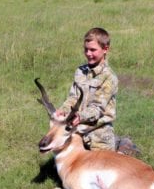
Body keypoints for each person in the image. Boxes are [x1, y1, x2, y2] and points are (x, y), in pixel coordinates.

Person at [55, 27, 139, 155]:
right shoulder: (80, 71)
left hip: (98, 133)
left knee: (101, 170)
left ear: (105, 49)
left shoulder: (109, 77)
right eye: (86, 49)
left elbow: (97, 108)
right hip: (77, 129)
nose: (88, 53)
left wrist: (80, 116)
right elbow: (73, 98)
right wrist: (63, 110)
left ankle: (123, 147)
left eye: (93, 50)